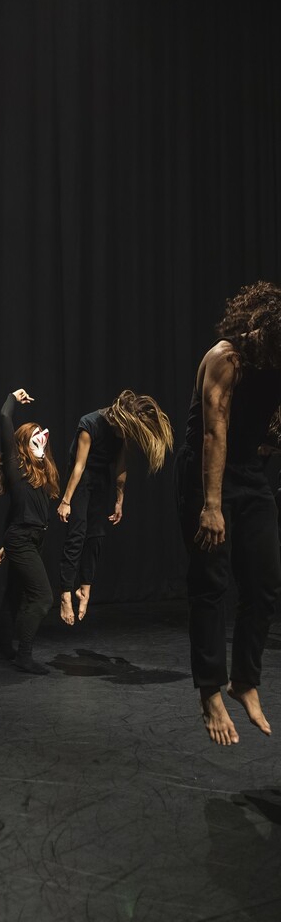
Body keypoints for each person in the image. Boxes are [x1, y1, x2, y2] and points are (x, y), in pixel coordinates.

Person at [175, 281, 281, 746]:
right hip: (206, 476)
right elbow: (213, 435)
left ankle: (244, 681)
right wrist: (211, 506)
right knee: (211, 583)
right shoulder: (227, 358)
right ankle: (210, 692)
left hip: (252, 473)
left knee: (264, 581)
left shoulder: (276, 362)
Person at [58, 391, 173, 625]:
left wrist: (120, 500)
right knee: (77, 535)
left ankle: (85, 589)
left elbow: (120, 466)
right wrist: (66, 501)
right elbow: (79, 467)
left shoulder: (122, 432)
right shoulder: (89, 424)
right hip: (80, 480)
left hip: (100, 479)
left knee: (96, 535)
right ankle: (65, 594)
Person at [0, 388, 60, 674]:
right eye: (34, 437)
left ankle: (4, 650)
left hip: (28, 538)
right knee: (43, 597)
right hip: (22, 538)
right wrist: (12, 397)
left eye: (42, 437)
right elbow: (4, 417)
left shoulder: (40, 473)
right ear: (22, 443)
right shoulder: (16, 466)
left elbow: (16, 510)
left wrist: (4, 542)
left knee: (15, 594)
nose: (41, 443)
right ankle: (24, 655)